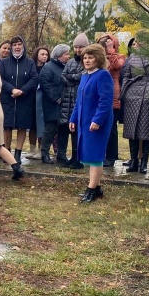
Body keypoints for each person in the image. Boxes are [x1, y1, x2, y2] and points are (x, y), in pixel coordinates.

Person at [69, 44, 114, 202]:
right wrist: (73, 118)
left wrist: (97, 120)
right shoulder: (85, 75)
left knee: (95, 155)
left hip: (97, 122)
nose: (87, 60)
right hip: (84, 120)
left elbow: (106, 101)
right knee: (89, 153)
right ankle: (97, 188)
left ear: (98, 58)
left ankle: (91, 189)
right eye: (85, 57)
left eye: (91, 57)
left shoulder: (103, 75)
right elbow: (78, 102)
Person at [121, 31, 149, 174]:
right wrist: (126, 91)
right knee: (131, 128)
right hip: (133, 94)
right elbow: (126, 75)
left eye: (138, 41)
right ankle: (134, 160)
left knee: (147, 129)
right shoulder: (132, 58)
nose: (135, 44)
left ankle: (144, 161)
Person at [0, 35, 38, 164]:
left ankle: (18, 153)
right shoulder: (4, 63)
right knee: (7, 126)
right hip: (8, 99)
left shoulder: (29, 62)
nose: (17, 47)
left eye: (19, 44)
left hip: (24, 99)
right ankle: (7, 151)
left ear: (23, 46)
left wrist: (22, 91)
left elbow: (34, 79)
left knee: (22, 127)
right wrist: (12, 89)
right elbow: (0, 79)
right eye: (14, 45)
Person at [58, 33, 88, 169]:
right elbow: (63, 76)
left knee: (77, 131)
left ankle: (78, 158)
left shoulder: (87, 61)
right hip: (67, 102)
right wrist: (72, 78)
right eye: (75, 47)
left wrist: (71, 78)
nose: (77, 50)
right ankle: (69, 156)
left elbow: (82, 76)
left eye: (80, 47)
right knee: (68, 129)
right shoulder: (70, 62)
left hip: (78, 99)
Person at [38, 44, 71, 163]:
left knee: (64, 130)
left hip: (64, 104)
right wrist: (57, 98)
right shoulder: (48, 67)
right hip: (52, 104)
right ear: (59, 55)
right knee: (50, 130)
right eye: (66, 54)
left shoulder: (66, 67)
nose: (68, 56)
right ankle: (44, 154)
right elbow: (45, 85)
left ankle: (61, 154)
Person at [98, 34, 126, 167]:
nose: (104, 49)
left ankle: (111, 156)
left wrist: (111, 51)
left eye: (107, 46)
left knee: (111, 128)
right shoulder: (98, 58)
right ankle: (99, 154)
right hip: (98, 94)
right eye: (103, 47)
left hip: (112, 96)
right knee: (98, 126)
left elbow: (116, 66)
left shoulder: (119, 57)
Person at [27, 46, 50, 158]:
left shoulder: (48, 68)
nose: (45, 56)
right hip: (31, 98)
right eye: (42, 54)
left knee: (42, 124)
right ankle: (32, 148)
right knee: (32, 124)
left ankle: (42, 149)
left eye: (46, 54)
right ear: (37, 55)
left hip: (43, 100)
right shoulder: (31, 67)